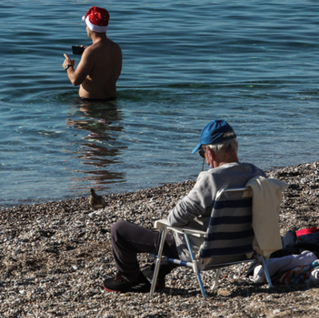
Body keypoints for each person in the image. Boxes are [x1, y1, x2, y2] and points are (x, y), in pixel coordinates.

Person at [103, 119, 267, 293]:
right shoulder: (257, 174)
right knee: (185, 231)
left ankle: (131, 279)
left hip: (204, 251)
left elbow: (174, 220)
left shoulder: (212, 179)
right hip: (242, 248)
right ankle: (155, 272)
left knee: (119, 229)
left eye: (202, 153)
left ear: (209, 151)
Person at [62, 6, 122, 101]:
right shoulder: (116, 48)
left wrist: (68, 66)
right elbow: (101, 72)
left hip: (90, 105)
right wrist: (85, 57)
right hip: (111, 100)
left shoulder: (91, 51)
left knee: (69, 115)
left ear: (90, 28)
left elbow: (75, 80)